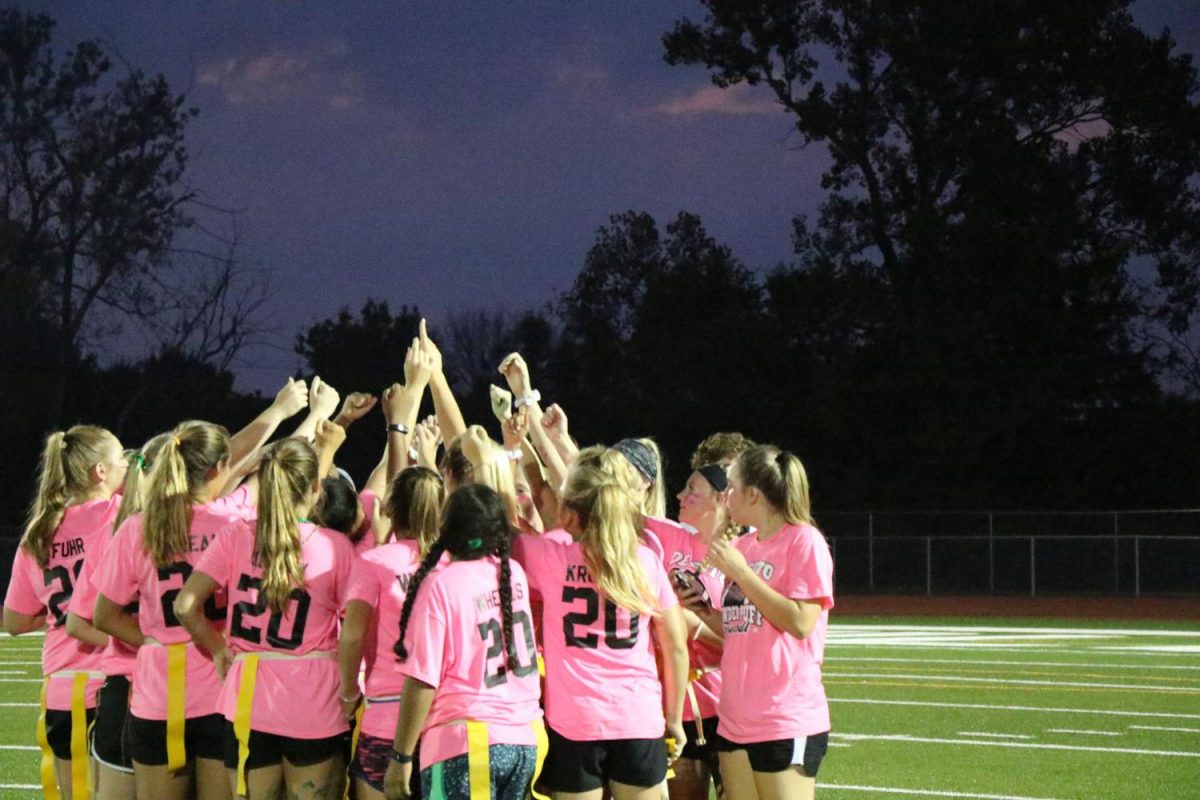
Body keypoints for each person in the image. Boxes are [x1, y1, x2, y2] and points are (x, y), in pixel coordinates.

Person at [174, 430, 355, 800]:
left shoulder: (236, 535)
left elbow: (185, 605)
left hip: (248, 694)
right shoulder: (335, 546)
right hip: (314, 696)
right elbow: (354, 627)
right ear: (316, 487)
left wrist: (218, 648)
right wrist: (352, 689)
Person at [91, 421, 256, 800]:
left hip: (157, 692)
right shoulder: (235, 525)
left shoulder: (137, 527)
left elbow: (103, 615)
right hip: (222, 686)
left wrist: (151, 640)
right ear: (218, 468)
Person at [513, 465, 688, 800]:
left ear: (568, 516)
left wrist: (501, 458)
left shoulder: (551, 559)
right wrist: (674, 718)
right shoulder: (645, 561)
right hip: (637, 716)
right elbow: (676, 647)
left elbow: (503, 528)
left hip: (575, 721)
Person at [383, 484, 543, 800]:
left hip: (466, 741)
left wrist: (401, 757)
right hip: (523, 740)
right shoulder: (513, 573)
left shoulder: (442, 584)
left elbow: (422, 679)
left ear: (447, 529)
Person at [701, 445, 834, 800]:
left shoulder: (804, 541)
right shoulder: (744, 545)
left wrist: (742, 574)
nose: (725, 496)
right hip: (735, 718)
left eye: (731, 487)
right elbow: (741, 628)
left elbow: (802, 622)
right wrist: (701, 609)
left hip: (784, 717)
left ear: (753, 494)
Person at [4, 425, 128, 800]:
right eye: (121, 458)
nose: (128, 465)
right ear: (100, 471)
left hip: (62, 687)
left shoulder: (39, 532)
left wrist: (58, 615)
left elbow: (14, 621)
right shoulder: (119, 514)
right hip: (111, 680)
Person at [65, 432, 169, 800]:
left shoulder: (122, 529)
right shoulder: (123, 529)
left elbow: (79, 621)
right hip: (146, 689)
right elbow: (80, 622)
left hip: (147, 690)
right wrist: (155, 645)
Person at [341, 466, 444, 800]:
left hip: (387, 718)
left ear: (390, 509)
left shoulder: (374, 562)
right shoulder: (454, 563)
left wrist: (347, 695)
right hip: (442, 718)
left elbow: (352, 635)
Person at [664, 463, 737, 800]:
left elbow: (756, 639)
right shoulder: (667, 537)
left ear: (721, 498)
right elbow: (608, 505)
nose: (681, 495)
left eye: (693, 489)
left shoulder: (747, 554)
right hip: (684, 706)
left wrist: (695, 626)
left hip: (731, 704)